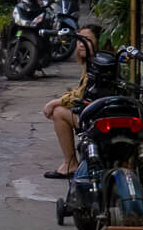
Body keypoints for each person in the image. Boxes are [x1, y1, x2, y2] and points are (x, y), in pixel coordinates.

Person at [43, 24, 102, 178]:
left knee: (59, 112)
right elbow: (81, 90)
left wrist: (56, 102)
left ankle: (70, 163)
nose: (81, 44)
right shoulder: (96, 61)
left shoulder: (98, 64)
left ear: (98, 42)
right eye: (79, 40)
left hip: (96, 118)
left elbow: (80, 95)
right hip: (99, 113)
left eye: (87, 40)